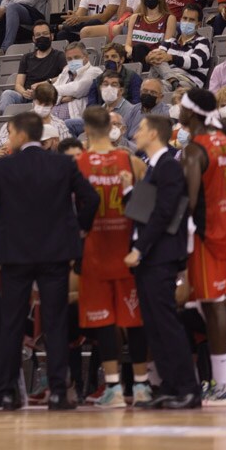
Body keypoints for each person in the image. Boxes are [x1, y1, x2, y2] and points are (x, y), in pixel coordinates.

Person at [0, 110, 99, 411]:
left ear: (20, 134)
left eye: (10, 132)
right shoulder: (62, 163)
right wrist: (77, 228)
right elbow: (91, 199)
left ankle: (7, 393)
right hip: (56, 252)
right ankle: (58, 392)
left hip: (13, 253)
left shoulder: (3, 167)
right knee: (54, 323)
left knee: (12, 324)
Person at [74, 107, 151, 408]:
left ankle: (114, 389)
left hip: (94, 251)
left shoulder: (77, 164)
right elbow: (146, 209)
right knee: (134, 319)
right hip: (128, 252)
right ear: (111, 127)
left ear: (86, 128)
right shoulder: (131, 161)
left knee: (104, 322)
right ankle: (143, 387)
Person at [126, 114, 200, 409]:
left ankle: (188, 389)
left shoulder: (168, 165)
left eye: (142, 128)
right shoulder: (155, 167)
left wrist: (140, 248)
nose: (137, 132)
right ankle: (169, 385)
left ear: (154, 134)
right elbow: (144, 210)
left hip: (160, 255)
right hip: (150, 257)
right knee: (154, 323)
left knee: (166, 323)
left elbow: (165, 212)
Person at [179, 88, 226, 406]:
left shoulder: (195, 149)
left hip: (207, 238)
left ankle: (223, 384)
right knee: (211, 306)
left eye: (182, 106)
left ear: (191, 113)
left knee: (213, 305)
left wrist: (173, 234)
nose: (178, 111)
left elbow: (187, 201)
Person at [0, 20, 66, 114]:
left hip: (47, 95)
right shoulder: (26, 58)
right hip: (28, 96)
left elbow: (66, 75)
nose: (41, 37)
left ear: (52, 36)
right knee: (7, 94)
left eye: (45, 34)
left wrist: (47, 82)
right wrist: (24, 93)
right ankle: (5, 126)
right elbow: (18, 84)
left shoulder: (59, 56)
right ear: (34, 39)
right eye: (38, 35)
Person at [147, 3, 211, 90]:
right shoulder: (169, 42)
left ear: (199, 24)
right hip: (166, 78)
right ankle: (173, 81)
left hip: (187, 81)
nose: (187, 22)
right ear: (180, 20)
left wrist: (171, 58)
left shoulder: (202, 42)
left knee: (156, 88)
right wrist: (150, 57)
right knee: (157, 57)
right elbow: (156, 58)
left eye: (191, 20)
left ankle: (171, 82)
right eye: (185, 18)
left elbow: (194, 62)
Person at [0, 82, 71, 152]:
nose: (42, 107)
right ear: (34, 101)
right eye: (39, 103)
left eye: (46, 105)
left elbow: (68, 151)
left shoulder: (60, 125)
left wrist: (57, 148)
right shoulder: (19, 121)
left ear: (53, 105)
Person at [125, 0, 177, 66]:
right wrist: (132, 52)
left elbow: (166, 47)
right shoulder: (135, 17)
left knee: (139, 48)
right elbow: (128, 44)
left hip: (154, 61)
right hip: (133, 56)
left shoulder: (169, 18)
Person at [51, 41, 102, 121]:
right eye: (69, 59)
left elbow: (77, 89)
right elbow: (48, 94)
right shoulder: (66, 70)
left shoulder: (94, 71)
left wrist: (53, 93)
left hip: (75, 120)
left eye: (76, 57)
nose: (73, 61)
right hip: (53, 119)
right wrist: (61, 99)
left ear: (86, 57)